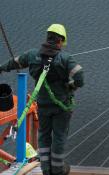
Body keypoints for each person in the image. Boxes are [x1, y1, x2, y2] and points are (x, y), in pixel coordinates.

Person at [0, 24, 84, 175]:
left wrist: (0, 68)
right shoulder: (65, 58)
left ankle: (46, 169)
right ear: (61, 41)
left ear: (47, 38)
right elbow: (80, 77)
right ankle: (58, 169)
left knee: (44, 136)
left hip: (43, 105)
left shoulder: (33, 55)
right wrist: (71, 86)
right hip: (62, 106)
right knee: (59, 136)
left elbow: (14, 63)